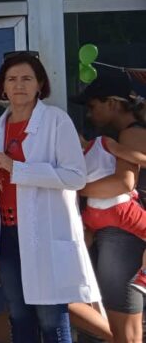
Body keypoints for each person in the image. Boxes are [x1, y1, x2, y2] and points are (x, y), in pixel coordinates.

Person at [0, 52, 100, 343]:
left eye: (27, 78)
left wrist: (18, 169)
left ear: (40, 84)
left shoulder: (56, 121)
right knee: (19, 317)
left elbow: (76, 177)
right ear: (3, 87)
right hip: (8, 236)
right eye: (12, 79)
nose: (19, 85)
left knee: (51, 319)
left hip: (43, 234)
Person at [72, 70, 146, 343]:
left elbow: (123, 183)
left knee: (124, 330)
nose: (90, 115)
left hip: (124, 235)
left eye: (93, 106)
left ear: (113, 103)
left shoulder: (129, 137)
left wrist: (71, 186)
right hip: (121, 233)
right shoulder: (121, 138)